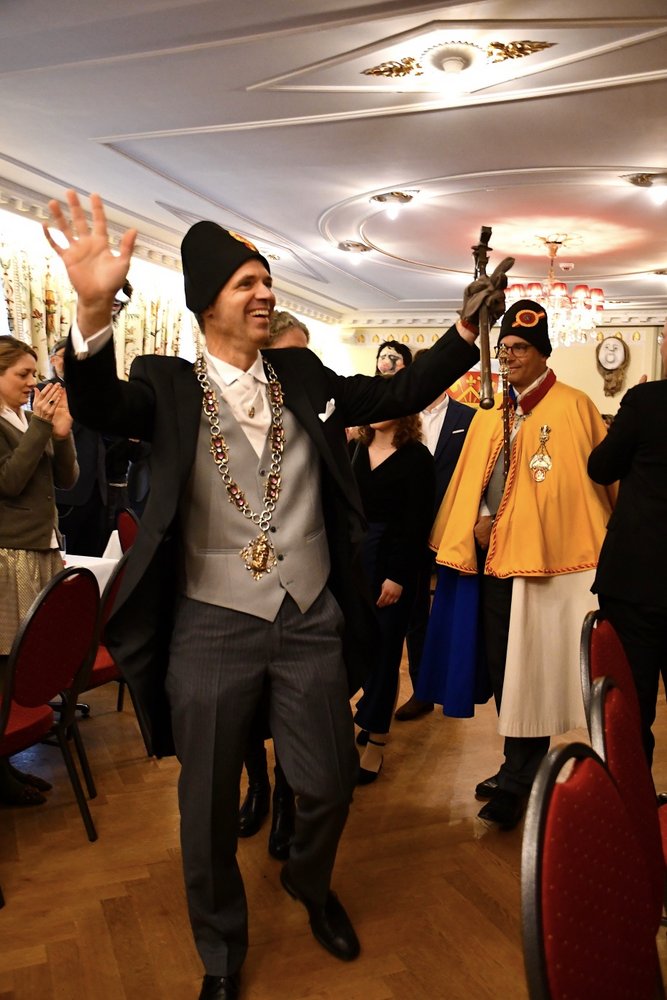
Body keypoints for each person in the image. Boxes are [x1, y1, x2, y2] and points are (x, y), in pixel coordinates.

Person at [43, 189, 505, 1000]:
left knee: (326, 783)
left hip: (309, 614)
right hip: (211, 622)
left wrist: (464, 334)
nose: (263, 293)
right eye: (244, 283)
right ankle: (221, 952)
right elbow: (100, 404)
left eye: (265, 279)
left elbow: (394, 396)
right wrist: (90, 311)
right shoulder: (164, 383)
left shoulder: (301, 373)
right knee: (206, 805)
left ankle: (307, 880)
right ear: (206, 304)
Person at [421, 300, 615, 831]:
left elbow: (590, 487)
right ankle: (517, 765)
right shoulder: (489, 411)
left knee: (532, 669)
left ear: (543, 353)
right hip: (491, 564)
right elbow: (477, 482)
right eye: (504, 348)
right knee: (504, 667)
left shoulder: (575, 407)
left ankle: (521, 778)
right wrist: (482, 517)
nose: (508, 357)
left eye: (520, 349)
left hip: (548, 565)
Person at [237, 310, 308, 860]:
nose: (302, 366)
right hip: (240, 588)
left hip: (301, 588)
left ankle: (286, 797)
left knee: (289, 709)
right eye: (291, 355)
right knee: (246, 707)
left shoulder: (311, 409)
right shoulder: (226, 406)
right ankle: (257, 787)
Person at [0, 336, 78, 805]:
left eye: (34, 373)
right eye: (22, 374)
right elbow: (9, 482)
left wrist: (61, 434)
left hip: (41, 549)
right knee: (4, 664)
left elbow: (66, 480)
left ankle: (6, 764)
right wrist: (41, 427)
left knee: (22, 661)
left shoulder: (29, 420)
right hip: (9, 555)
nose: (33, 383)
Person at [588, 318, 667, 766]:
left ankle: (636, 798)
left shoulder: (646, 400)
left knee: (633, 702)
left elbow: (601, 468)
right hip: (640, 578)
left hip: (637, 576)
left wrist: (626, 418)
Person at [351, 410, 435, 781]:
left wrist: (398, 576)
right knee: (357, 648)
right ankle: (368, 716)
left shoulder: (417, 457)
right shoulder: (356, 449)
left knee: (385, 653)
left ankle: (376, 743)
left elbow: (416, 524)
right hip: (356, 562)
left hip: (393, 564)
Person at [395, 362, 475, 722]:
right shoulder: (400, 416)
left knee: (453, 609)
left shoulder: (468, 418)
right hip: (409, 529)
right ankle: (422, 691)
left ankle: (455, 688)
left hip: (453, 529)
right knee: (414, 613)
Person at [47, 337, 109, 555]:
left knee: (93, 557)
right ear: (54, 360)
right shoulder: (46, 390)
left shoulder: (94, 393)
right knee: (67, 559)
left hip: (96, 489)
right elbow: (58, 433)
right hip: (67, 492)